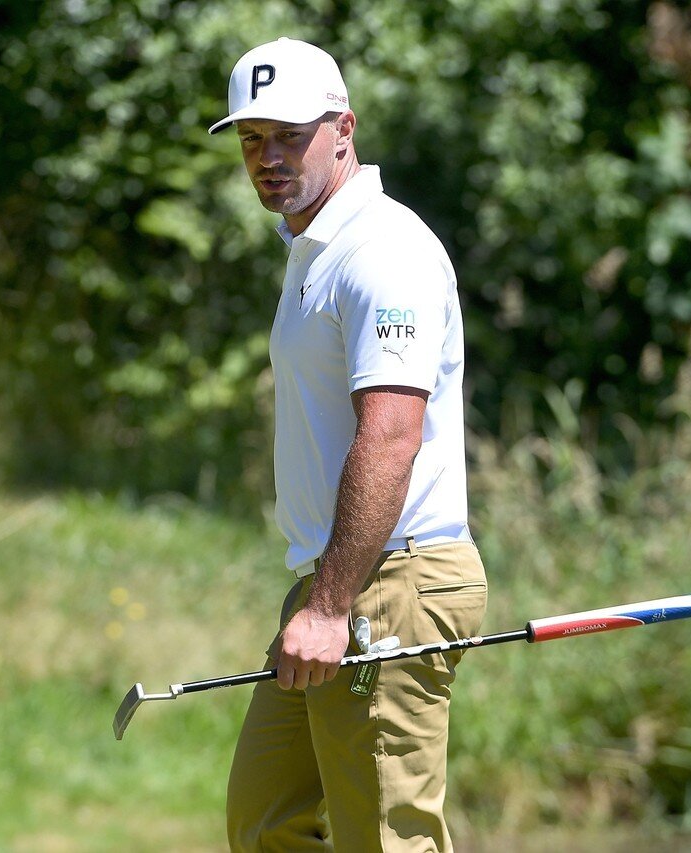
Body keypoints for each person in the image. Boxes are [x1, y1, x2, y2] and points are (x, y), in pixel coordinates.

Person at [209, 37, 488, 852]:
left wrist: (332, 606)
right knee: (267, 820)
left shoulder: (382, 250)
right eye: (251, 139)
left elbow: (392, 435)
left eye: (289, 135)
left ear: (343, 128)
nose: (268, 157)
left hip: (392, 582)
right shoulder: (315, 250)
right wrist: (321, 597)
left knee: (386, 841)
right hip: (341, 578)